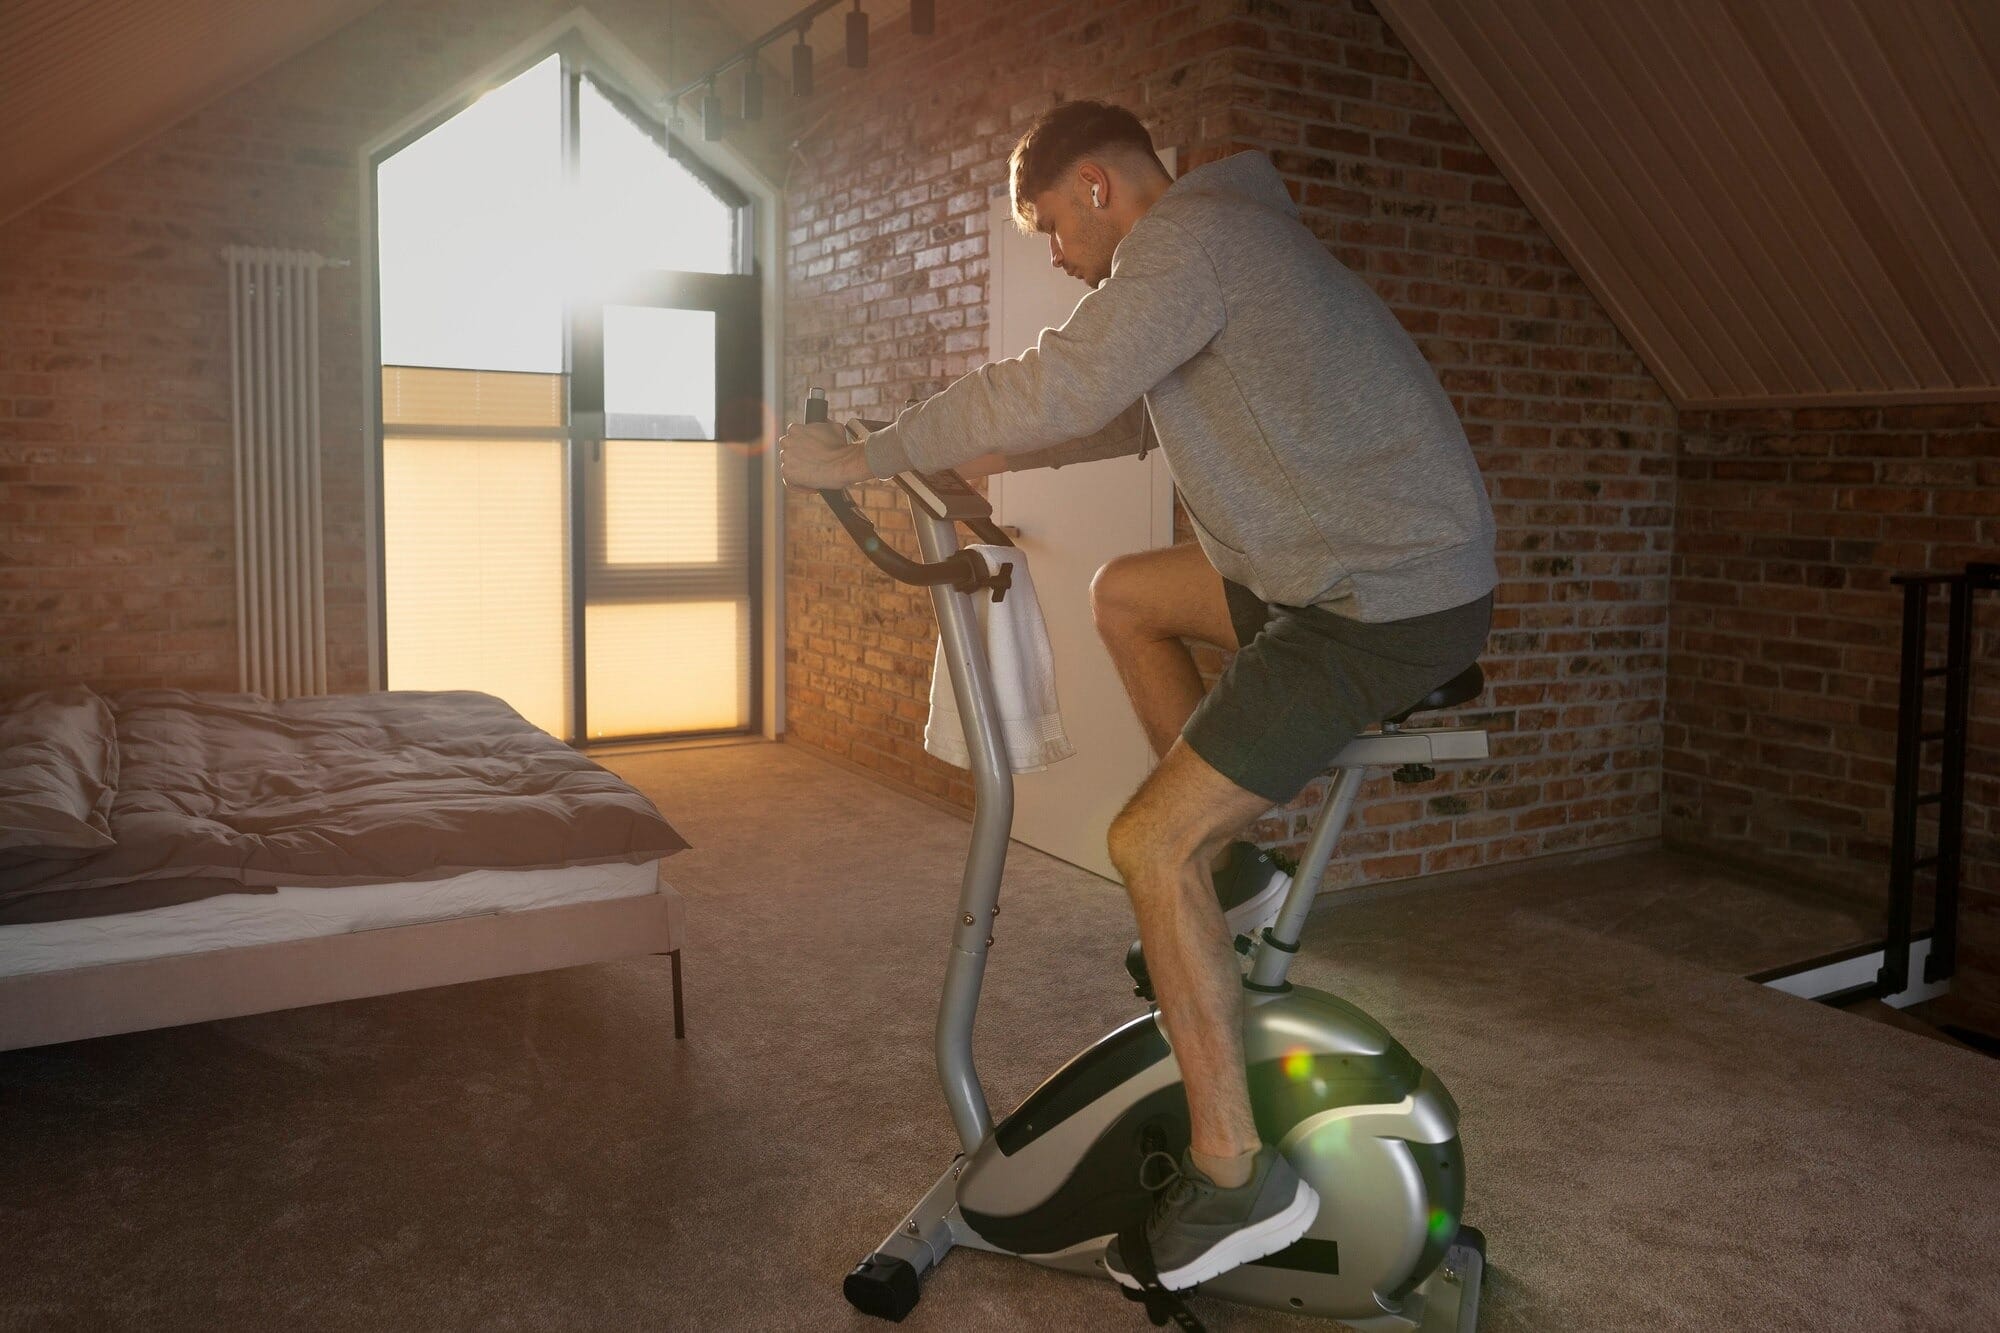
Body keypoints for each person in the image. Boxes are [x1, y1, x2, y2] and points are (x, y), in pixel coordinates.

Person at [780, 100, 1496, 1292]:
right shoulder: (1225, 239)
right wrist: (967, 460)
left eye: (1053, 225)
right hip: (1364, 560)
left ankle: (1234, 1180)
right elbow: (1111, 411)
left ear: (1099, 188)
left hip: (1374, 597)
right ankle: (1232, 874)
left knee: (1139, 840)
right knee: (1127, 594)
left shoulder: (1188, 245)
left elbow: (1060, 382)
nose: (1055, 254)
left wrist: (869, 455)